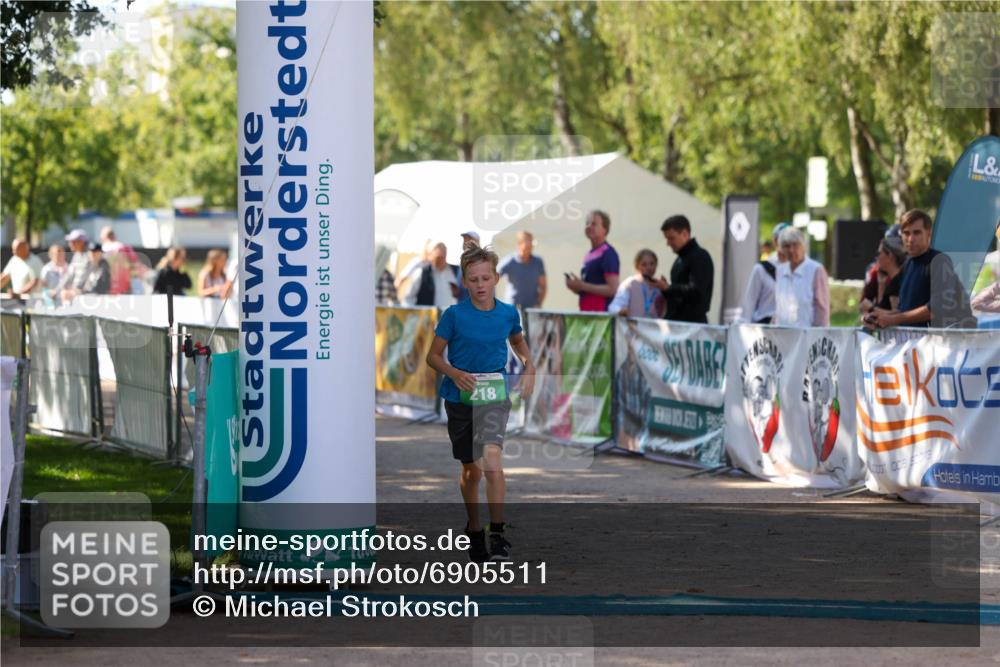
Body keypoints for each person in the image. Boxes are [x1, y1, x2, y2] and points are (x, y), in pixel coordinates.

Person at [425, 243, 535, 562]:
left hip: (493, 395)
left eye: (486, 278)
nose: (480, 285)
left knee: (493, 462)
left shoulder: (507, 313)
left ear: (496, 278)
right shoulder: (454, 315)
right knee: (471, 470)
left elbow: (518, 342)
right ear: (464, 282)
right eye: (474, 279)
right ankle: (474, 527)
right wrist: (454, 372)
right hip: (459, 399)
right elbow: (432, 356)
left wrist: (530, 367)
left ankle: (497, 532)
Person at [870, 209, 974, 329]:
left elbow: (936, 309)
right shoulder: (908, 265)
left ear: (929, 233)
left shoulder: (939, 261)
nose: (910, 239)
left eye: (917, 233)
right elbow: (906, 311)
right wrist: (878, 317)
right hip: (920, 343)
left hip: (953, 342)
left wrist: (893, 319)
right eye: (906, 233)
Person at [653, 214, 715, 323]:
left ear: (685, 234)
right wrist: (665, 289)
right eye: (667, 239)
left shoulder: (699, 257)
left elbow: (697, 291)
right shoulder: (680, 259)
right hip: (678, 323)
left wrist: (669, 288)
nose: (668, 243)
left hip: (692, 326)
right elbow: (678, 296)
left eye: (671, 238)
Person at [774, 227, 830, 327]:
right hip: (782, 334)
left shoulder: (816, 269)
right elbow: (779, 306)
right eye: (786, 246)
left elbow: (822, 310)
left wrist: (818, 335)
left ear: (803, 246)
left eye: (795, 245)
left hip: (807, 336)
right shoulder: (780, 270)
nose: (791, 250)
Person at [565, 210, 620, 311]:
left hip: (602, 316)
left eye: (594, 224)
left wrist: (582, 285)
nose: (589, 226)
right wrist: (576, 286)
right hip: (587, 314)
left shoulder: (608, 253)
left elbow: (612, 289)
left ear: (605, 229)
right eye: (587, 223)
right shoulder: (588, 254)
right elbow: (589, 288)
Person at [738, 223, 789, 324]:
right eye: (783, 240)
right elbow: (749, 301)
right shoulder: (761, 269)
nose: (787, 245)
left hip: (791, 330)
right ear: (775, 241)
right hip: (764, 328)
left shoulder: (800, 269)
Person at [860, 235, 906, 326]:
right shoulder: (890, 280)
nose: (876, 258)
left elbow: (897, 316)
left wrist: (871, 308)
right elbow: (884, 309)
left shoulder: (898, 281)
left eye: (879, 253)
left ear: (890, 256)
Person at [608, 249, 666, 318]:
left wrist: (666, 290)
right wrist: (620, 311)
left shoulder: (660, 285)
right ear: (637, 266)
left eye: (652, 264)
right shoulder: (630, 284)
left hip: (654, 327)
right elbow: (613, 307)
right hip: (634, 326)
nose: (649, 268)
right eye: (644, 265)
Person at [498, 231, 547, 309]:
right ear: (520, 243)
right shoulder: (510, 261)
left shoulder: (538, 262)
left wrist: (538, 303)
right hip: (512, 308)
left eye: (531, 241)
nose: (531, 244)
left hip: (532, 309)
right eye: (528, 241)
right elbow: (493, 277)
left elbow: (543, 286)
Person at [409, 242, 459, 308]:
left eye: (442, 257)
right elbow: (409, 298)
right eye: (438, 257)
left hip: (453, 315)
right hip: (429, 316)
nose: (440, 260)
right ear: (431, 256)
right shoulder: (422, 273)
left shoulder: (457, 271)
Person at [100, 226, 141, 295]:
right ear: (114, 236)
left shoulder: (102, 250)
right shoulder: (125, 247)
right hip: (126, 287)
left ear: (103, 238)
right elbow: (135, 264)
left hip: (108, 288)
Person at [455, 231, 481, 302]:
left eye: (469, 239)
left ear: (477, 242)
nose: (465, 242)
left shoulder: (482, 260)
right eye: (464, 239)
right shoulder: (462, 261)